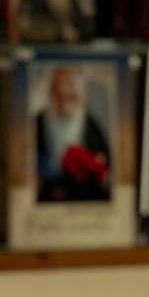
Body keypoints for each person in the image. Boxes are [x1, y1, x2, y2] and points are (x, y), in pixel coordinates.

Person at [33, 66, 111, 203]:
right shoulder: (37, 123)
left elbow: (105, 161)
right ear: (50, 95)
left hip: (85, 197)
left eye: (70, 97)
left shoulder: (91, 123)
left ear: (80, 97)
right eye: (58, 96)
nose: (64, 104)